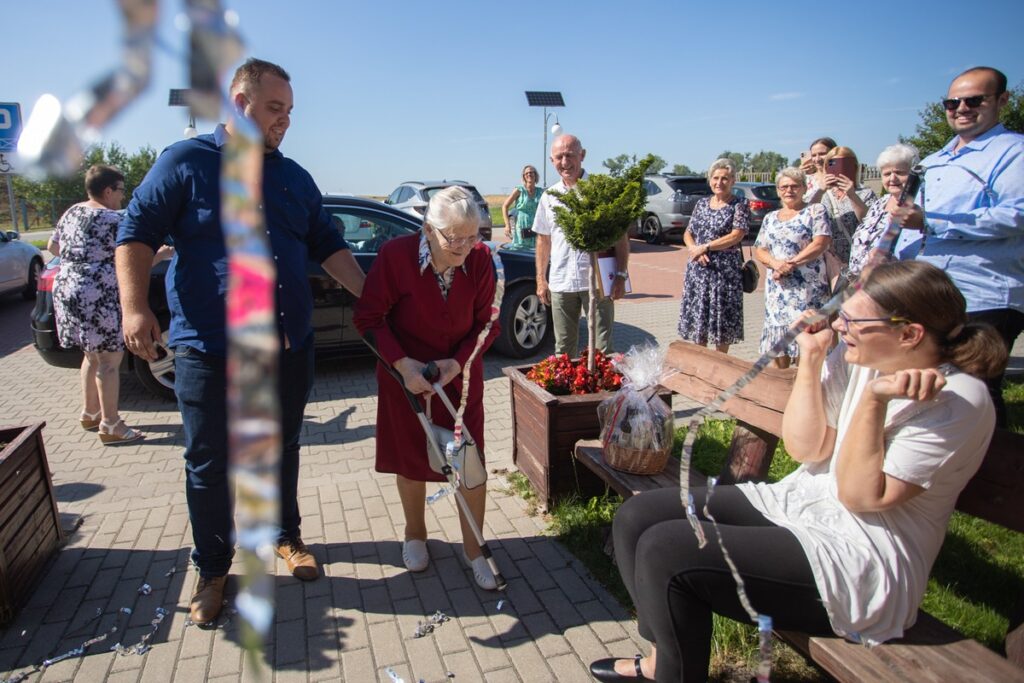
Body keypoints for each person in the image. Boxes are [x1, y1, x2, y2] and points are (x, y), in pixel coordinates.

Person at [591, 260, 1007, 682]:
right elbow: (807, 447)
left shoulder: (957, 400)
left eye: (853, 320)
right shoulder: (861, 354)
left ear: (909, 334)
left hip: (863, 559)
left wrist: (874, 401)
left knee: (667, 550)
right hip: (807, 504)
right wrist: (811, 358)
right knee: (636, 517)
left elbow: (861, 497)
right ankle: (665, 661)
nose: (840, 327)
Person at [116, 58, 366, 625]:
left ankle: (286, 535)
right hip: (209, 348)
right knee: (209, 461)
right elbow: (136, 232)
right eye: (274, 108)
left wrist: (372, 298)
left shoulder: (293, 177)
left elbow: (328, 244)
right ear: (238, 103)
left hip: (286, 345)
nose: (284, 122)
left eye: (290, 112)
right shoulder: (185, 162)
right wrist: (134, 307)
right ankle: (212, 567)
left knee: (281, 447)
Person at [353, 186, 500, 590]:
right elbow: (368, 317)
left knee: (470, 464)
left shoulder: (481, 260)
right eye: (455, 238)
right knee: (411, 460)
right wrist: (402, 364)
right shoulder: (395, 256)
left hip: (460, 379)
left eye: (474, 236)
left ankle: (475, 550)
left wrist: (456, 363)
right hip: (406, 380)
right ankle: (415, 533)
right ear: (429, 229)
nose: (466, 247)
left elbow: (488, 324)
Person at [893, 66, 1024, 427]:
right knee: (932, 393)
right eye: (952, 102)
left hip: (984, 296)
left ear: (1002, 100)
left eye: (974, 100)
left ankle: (999, 478)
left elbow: (1017, 215)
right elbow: (906, 225)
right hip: (929, 294)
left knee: (975, 393)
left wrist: (932, 221)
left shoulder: (1013, 152)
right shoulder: (933, 161)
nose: (961, 108)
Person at [49, 165, 147, 444]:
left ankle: (90, 413)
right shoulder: (114, 219)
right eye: (120, 191)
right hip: (98, 292)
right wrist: (161, 254)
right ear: (108, 191)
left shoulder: (72, 212)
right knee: (109, 360)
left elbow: (53, 247)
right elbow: (133, 257)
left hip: (68, 286)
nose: (122, 197)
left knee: (91, 354)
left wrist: (81, 258)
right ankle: (111, 424)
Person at [533, 134, 629, 356]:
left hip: (596, 281)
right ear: (551, 161)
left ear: (582, 155)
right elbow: (543, 240)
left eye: (570, 155)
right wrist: (541, 279)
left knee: (602, 351)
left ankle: (603, 391)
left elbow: (620, 237)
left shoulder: (601, 192)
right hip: (561, 282)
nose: (565, 162)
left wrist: (621, 275)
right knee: (563, 351)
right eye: (559, 157)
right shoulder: (549, 197)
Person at [753, 168, 832, 368]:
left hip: (807, 289)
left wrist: (791, 264)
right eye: (784, 187)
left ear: (804, 188)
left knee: (807, 340)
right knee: (778, 343)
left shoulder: (815, 211)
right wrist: (776, 264)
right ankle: (783, 391)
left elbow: (821, 242)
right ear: (778, 191)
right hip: (778, 291)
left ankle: (806, 387)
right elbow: (760, 249)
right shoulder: (770, 217)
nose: (789, 190)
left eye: (794, 186)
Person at [677, 158, 750, 353]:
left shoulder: (739, 204)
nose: (719, 182)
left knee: (721, 322)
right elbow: (688, 233)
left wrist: (706, 247)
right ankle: (700, 364)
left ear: (733, 180)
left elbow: (737, 234)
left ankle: (719, 366)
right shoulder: (701, 204)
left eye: (725, 178)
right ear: (710, 180)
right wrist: (695, 249)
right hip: (698, 270)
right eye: (715, 178)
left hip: (724, 272)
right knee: (699, 321)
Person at [847, 143, 920, 279]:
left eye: (899, 172)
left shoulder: (917, 206)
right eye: (887, 174)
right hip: (861, 280)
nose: (892, 178)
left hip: (894, 281)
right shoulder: (881, 203)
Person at [818, 146, 877, 267]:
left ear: (853, 167)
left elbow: (870, 222)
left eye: (844, 165)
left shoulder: (865, 193)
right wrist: (820, 190)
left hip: (859, 257)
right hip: (832, 260)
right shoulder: (825, 196)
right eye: (832, 165)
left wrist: (851, 195)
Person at [501, 164, 543, 248]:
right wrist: (507, 225)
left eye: (531, 172)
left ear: (535, 175)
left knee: (535, 251)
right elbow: (505, 206)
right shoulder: (519, 190)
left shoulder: (540, 192)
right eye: (526, 173)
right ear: (524, 176)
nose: (529, 174)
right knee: (520, 249)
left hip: (535, 226)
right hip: (521, 226)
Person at [799, 136, 837, 203]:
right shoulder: (806, 180)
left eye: (822, 154)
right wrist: (797, 175)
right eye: (813, 155)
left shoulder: (842, 179)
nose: (817, 159)